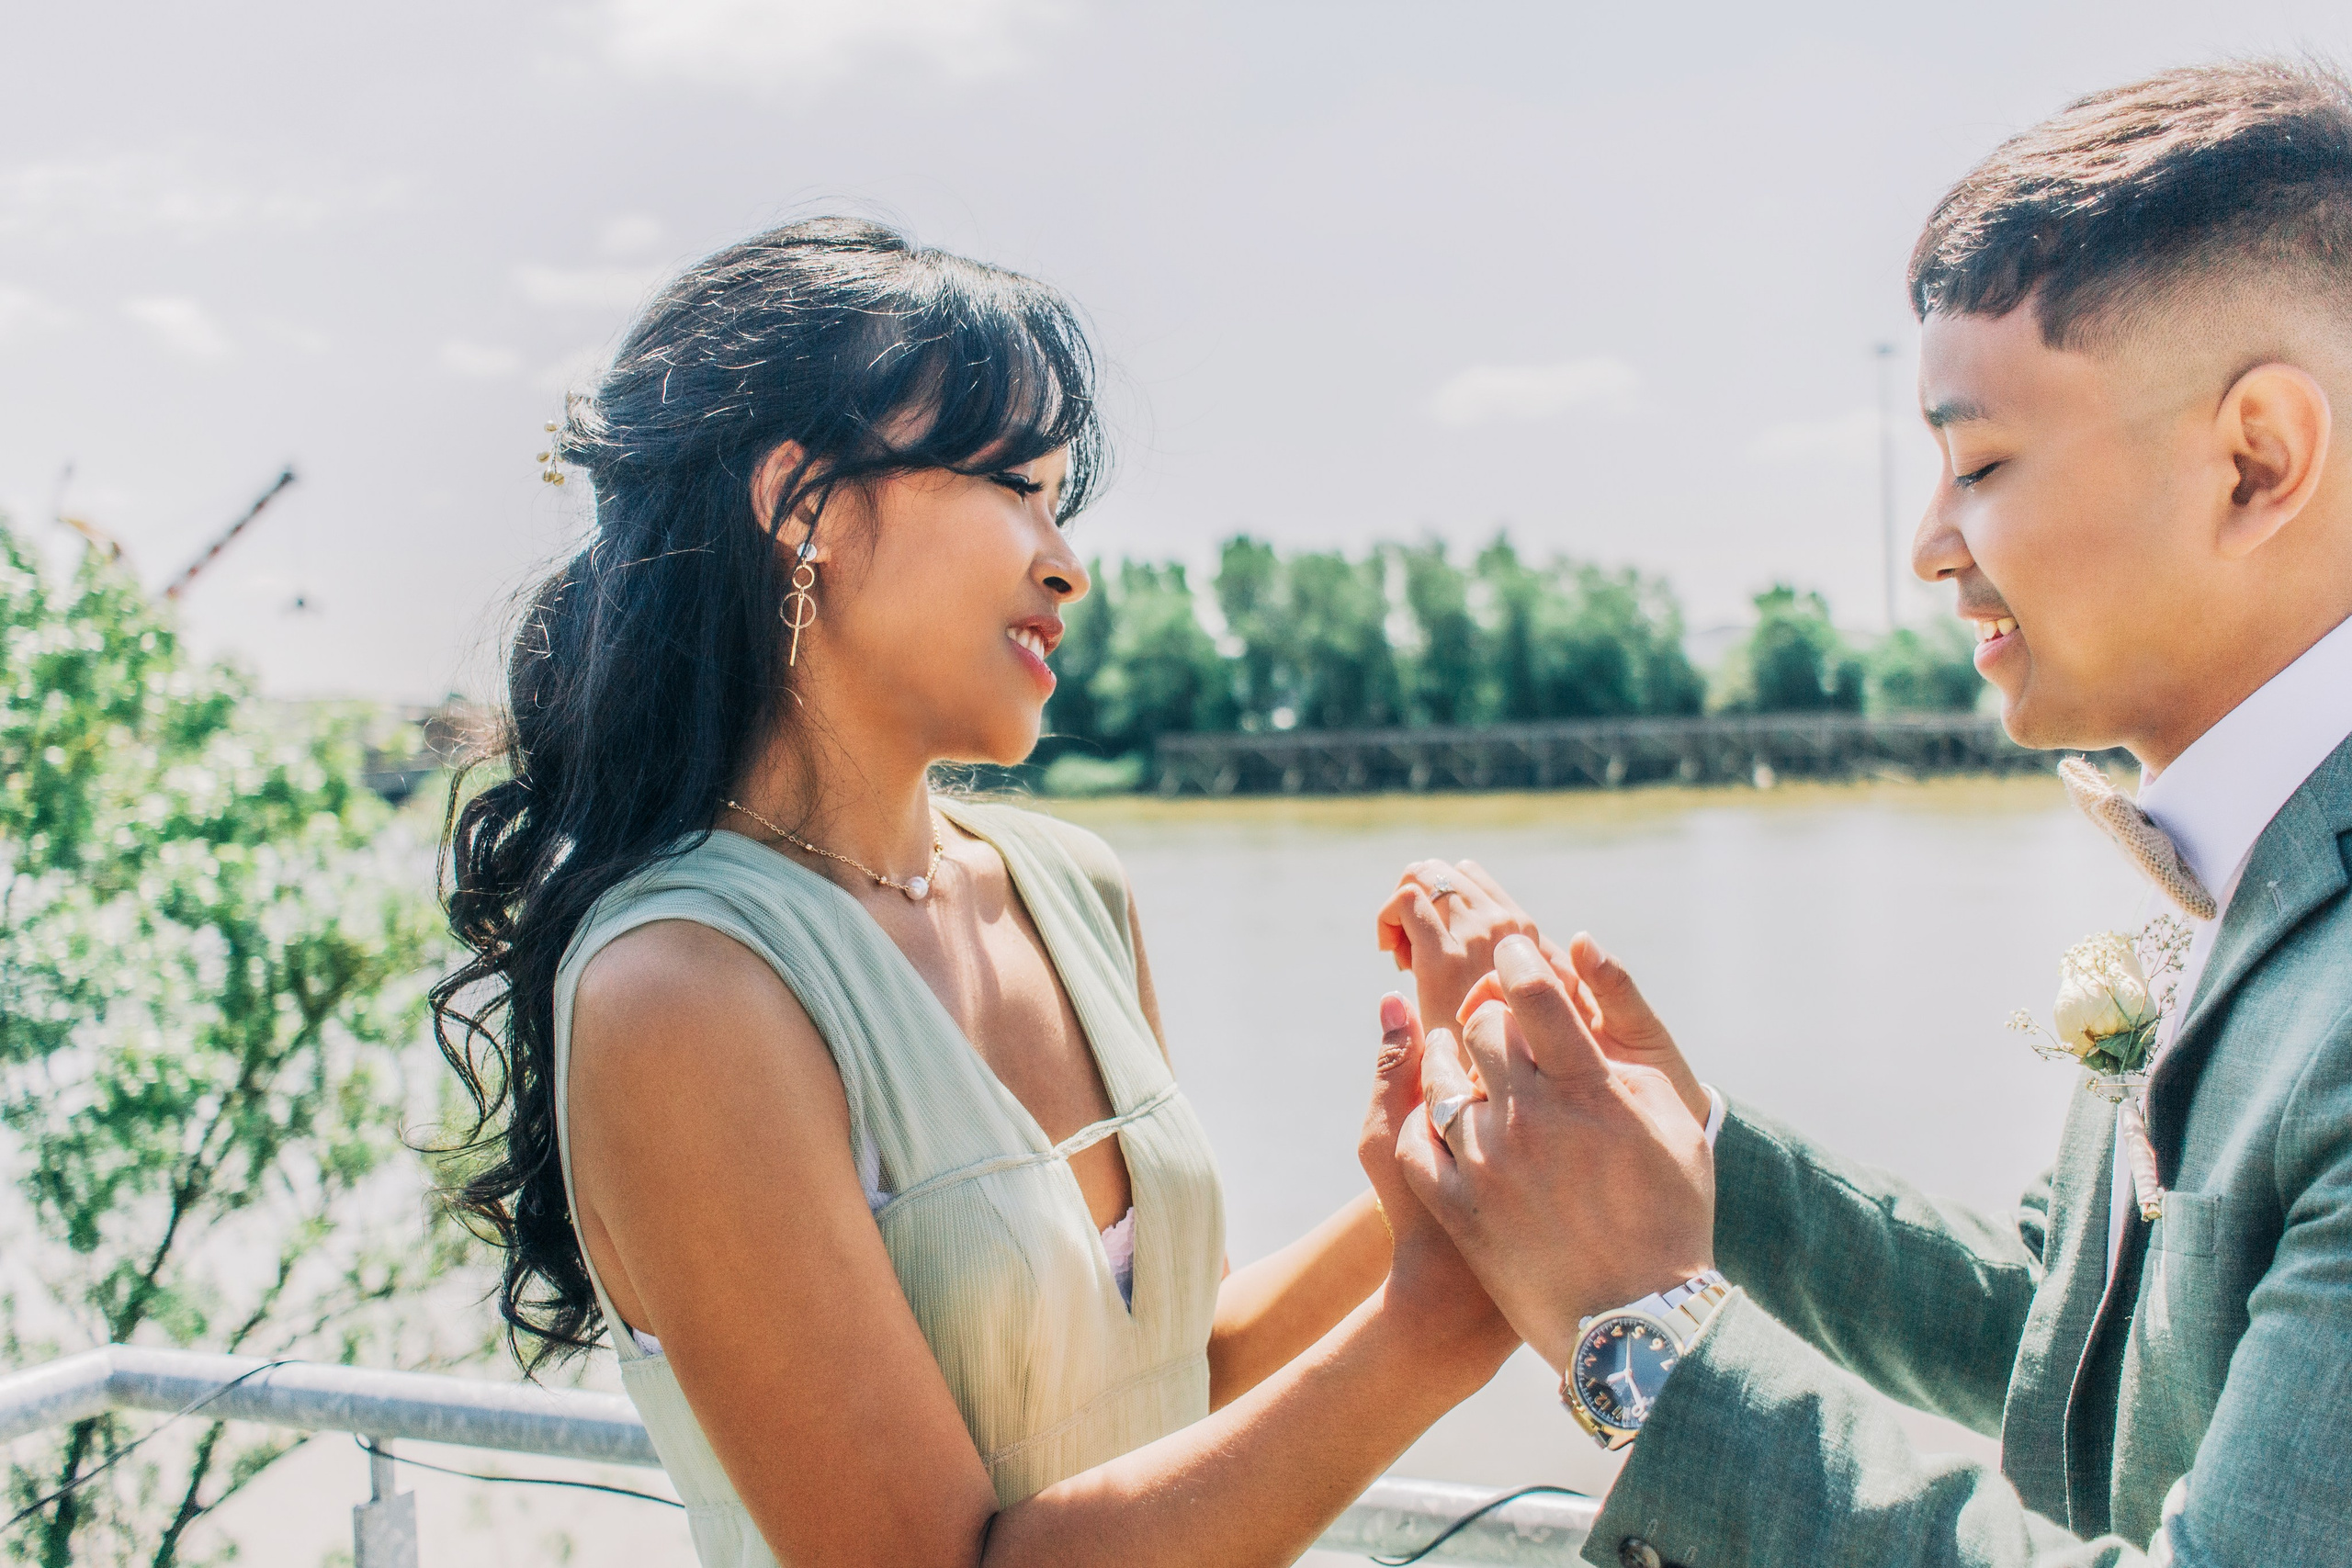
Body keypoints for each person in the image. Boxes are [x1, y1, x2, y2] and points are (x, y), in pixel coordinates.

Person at [432, 217, 1522, 1568]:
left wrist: (1448, 1185)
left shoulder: (1072, 887)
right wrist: (1442, 1328)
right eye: (1015, 486)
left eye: (1062, 501)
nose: (1068, 564)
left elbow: (1173, 1393)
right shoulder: (682, 988)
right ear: (804, 506)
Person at [1380, 60, 2352, 1568]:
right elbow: (2061, 1322)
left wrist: (1649, 1344)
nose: (1927, 547)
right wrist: (1685, 1156)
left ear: (2255, 461)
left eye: (1978, 463)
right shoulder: (2249, 872)